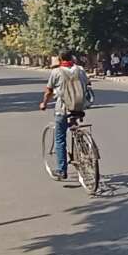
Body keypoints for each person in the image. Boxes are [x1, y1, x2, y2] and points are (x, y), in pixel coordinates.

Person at [39, 50, 91, 180]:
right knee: (74, 125)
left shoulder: (56, 72)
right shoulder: (80, 69)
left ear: (60, 59)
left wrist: (44, 104)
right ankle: (83, 147)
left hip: (63, 109)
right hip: (79, 107)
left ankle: (62, 170)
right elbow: (88, 84)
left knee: (60, 139)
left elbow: (49, 91)